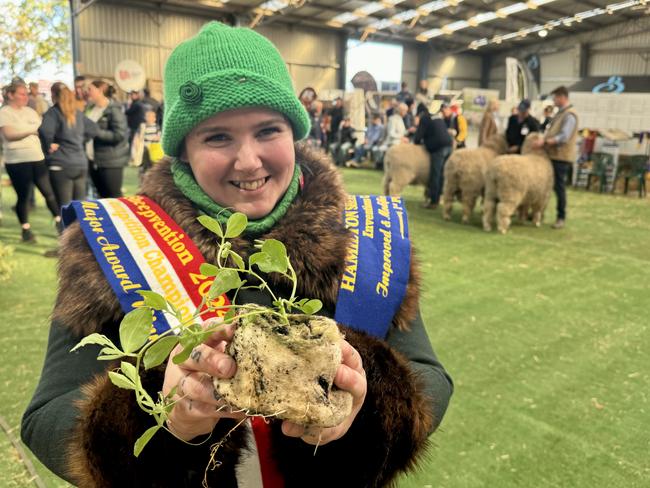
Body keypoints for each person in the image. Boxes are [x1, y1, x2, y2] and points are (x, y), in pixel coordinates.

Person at [22, 21, 452, 487]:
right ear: (183, 148)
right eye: (217, 137)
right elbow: (48, 418)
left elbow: (428, 376)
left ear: (295, 132)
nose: (248, 161)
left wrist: (364, 399)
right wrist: (160, 418)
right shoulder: (109, 243)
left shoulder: (364, 235)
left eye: (268, 130)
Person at [0, 80, 60, 242]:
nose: (25, 97)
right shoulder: (4, 113)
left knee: (48, 192)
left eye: (26, 94)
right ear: (11, 95)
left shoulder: (30, 112)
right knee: (24, 196)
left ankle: (59, 221)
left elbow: (42, 131)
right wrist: (32, 130)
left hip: (37, 157)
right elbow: (9, 135)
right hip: (17, 161)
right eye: (21, 94)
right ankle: (25, 229)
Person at [39, 82, 97, 210]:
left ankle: (65, 230)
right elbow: (94, 129)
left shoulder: (54, 112)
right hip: (80, 163)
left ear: (53, 95)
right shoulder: (77, 113)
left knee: (65, 209)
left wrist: (49, 145)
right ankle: (79, 230)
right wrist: (80, 141)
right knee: (81, 209)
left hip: (61, 164)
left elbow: (44, 131)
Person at [533, 86, 578, 230]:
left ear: (562, 97)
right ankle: (538, 213)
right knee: (544, 186)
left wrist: (544, 142)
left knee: (559, 187)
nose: (553, 100)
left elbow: (564, 137)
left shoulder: (570, 115)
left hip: (561, 157)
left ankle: (561, 217)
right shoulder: (561, 113)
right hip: (552, 155)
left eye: (555, 98)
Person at [85, 80, 130, 197]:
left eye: (90, 89)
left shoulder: (114, 110)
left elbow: (119, 135)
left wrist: (96, 132)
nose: (87, 92)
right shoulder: (90, 109)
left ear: (100, 91)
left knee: (114, 198)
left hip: (111, 162)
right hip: (93, 160)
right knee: (102, 198)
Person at [415, 103, 453, 209]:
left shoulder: (424, 118)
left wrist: (417, 141)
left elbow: (418, 137)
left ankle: (433, 202)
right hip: (449, 146)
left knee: (435, 175)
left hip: (438, 148)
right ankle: (440, 197)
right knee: (442, 174)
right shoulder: (436, 116)